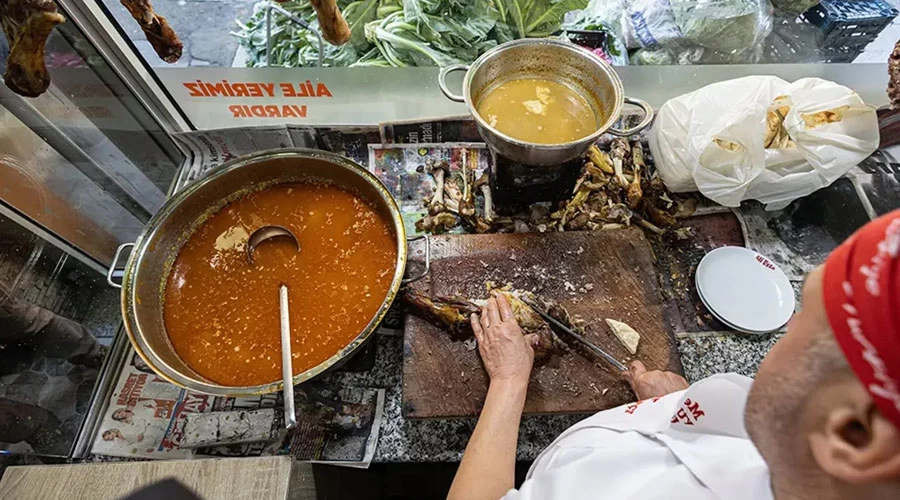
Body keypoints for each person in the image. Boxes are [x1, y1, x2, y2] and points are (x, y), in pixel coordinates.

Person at [448, 210, 900, 500]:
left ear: (855, 434)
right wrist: (680, 408)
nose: (785, 331)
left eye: (802, 326)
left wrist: (509, 381)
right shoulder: (788, 448)